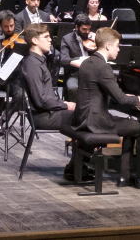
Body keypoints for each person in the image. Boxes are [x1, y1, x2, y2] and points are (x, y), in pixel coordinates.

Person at [72, 27, 140, 185]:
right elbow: (121, 100)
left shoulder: (88, 61)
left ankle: (126, 176)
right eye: (117, 45)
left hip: (83, 116)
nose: (119, 49)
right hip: (96, 121)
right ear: (108, 45)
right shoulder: (104, 67)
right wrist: (139, 99)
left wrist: (127, 97)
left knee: (131, 125)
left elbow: (102, 91)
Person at [17, 23, 88, 181]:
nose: (50, 40)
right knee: (87, 118)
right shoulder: (32, 65)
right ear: (35, 40)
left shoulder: (39, 61)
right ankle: (78, 169)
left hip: (50, 111)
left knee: (86, 114)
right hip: (43, 116)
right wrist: (66, 105)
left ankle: (78, 166)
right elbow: (41, 101)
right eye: (46, 37)